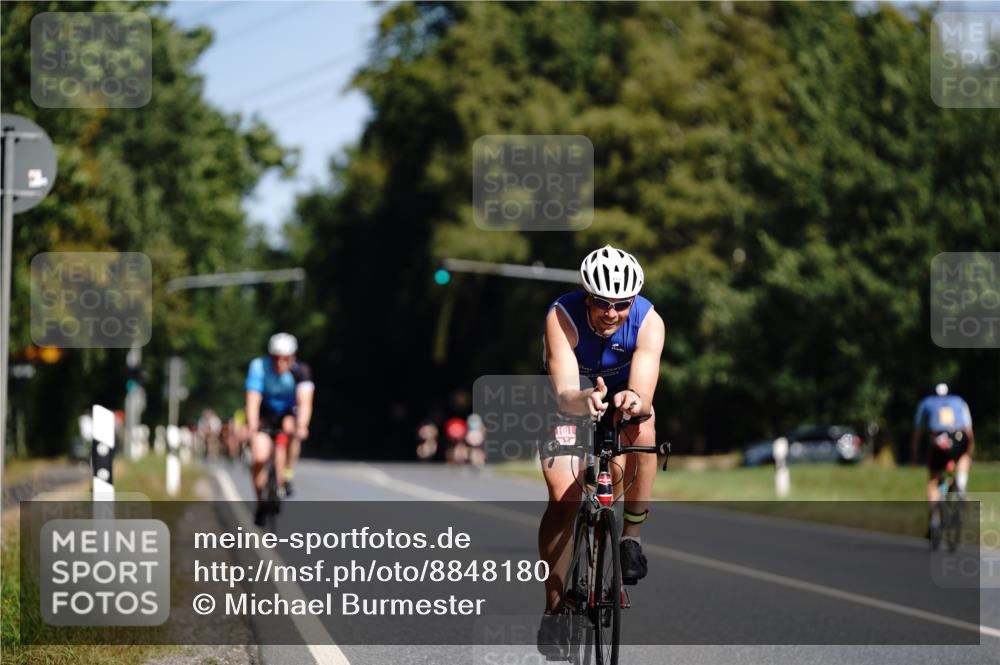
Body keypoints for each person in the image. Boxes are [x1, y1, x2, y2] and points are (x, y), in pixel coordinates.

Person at [538, 244, 665, 656]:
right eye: (602, 303)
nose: (611, 313)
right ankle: (555, 610)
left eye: (622, 304)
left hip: (617, 405)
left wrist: (633, 401)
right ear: (587, 296)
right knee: (566, 497)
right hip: (570, 405)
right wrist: (583, 400)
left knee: (645, 427)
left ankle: (631, 537)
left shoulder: (649, 323)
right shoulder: (562, 316)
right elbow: (563, 394)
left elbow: (644, 393)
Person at [245, 333, 315, 526]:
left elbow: (305, 403)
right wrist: (252, 426)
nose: (279, 363)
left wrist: (302, 425)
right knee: (259, 457)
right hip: (264, 413)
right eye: (275, 358)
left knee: (292, 428)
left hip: (287, 413)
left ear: (292, 357)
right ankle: (260, 503)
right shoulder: (258, 367)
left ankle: (287, 473)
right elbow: (252, 400)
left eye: (285, 359)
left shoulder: (301, 371)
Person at [911, 383, 974, 520]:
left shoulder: (926, 403)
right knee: (963, 458)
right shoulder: (959, 401)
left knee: (934, 479)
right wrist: (969, 449)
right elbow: (968, 429)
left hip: (939, 439)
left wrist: (915, 452)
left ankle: (934, 516)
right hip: (958, 436)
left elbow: (918, 430)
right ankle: (961, 486)